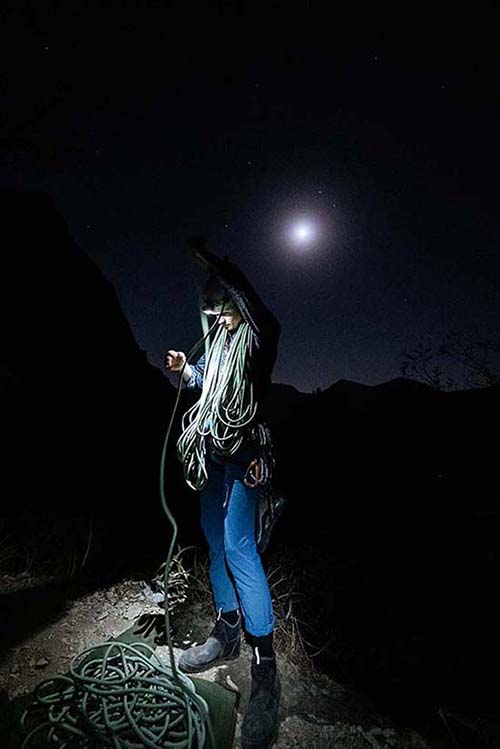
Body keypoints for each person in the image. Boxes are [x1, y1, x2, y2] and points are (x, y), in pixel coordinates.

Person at [165, 242, 281, 748]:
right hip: (211, 457)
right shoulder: (217, 349)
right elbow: (208, 387)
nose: (216, 321)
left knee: (238, 547)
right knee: (215, 542)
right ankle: (227, 629)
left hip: (244, 459)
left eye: (222, 311)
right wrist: (185, 371)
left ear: (237, 308)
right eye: (210, 313)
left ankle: (265, 665)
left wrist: (221, 266)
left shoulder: (257, 342)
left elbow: (263, 318)